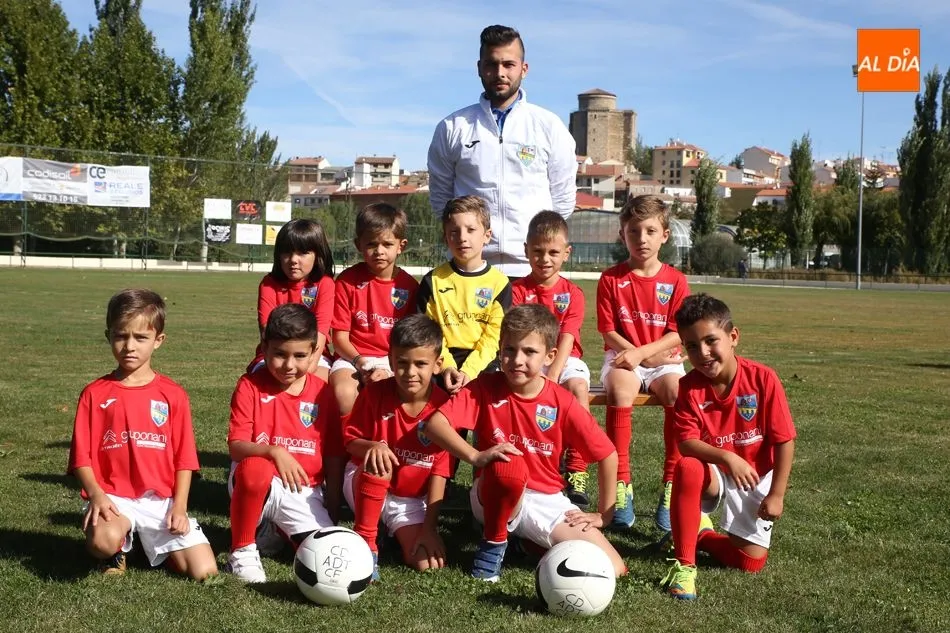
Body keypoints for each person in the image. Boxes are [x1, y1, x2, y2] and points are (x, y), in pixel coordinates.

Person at [423, 305, 626, 582]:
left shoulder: (561, 400)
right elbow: (435, 425)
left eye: (529, 352)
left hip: (547, 497)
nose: (517, 360)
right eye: (509, 350)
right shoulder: (484, 387)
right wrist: (476, 457)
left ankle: (526, 543)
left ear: (550, 356)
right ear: (500, 349)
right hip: (493, 492)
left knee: (611, 567)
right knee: (509, 465)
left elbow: (607, 454)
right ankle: (492, 547)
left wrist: (604, 514)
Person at [67, 289, 217, 580]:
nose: (129, 346)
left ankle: (152, 545)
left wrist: (180, 507)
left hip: (160, 501)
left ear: (158, 340)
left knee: (205, 572)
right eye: (121, 336)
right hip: (113, 497)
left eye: (140, 337)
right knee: (102, 540)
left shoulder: (173, 395)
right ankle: (115, 550)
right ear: (108, 335)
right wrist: (97, 496)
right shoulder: (94, 394)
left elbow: (184, 459)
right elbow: (80, 459)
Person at [660, 293, 796, 600]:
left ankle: (702, 535)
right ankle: (684, 567)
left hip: (756, 476)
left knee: (750, 562)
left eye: (711, 341)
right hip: (717, 472)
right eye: (692, 346)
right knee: (687, 466)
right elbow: (686, 442)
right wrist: (726, 457)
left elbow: (784, 440)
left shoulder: (763, 379)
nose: (703, 353)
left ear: (733, 336)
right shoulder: (688, 387)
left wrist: (777, 495)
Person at [427, 24, 577, 277]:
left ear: (524, 68)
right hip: (469, 269)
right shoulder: (452, 127)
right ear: (479, 68)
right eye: (491, 64)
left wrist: (539, 247)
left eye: (508, 64)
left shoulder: (549, 126)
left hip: (530, 270)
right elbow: (442, 200)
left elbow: (562, 200)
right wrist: (466, 244)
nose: (499, 73)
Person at [226, 303, 343, 583]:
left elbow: (335, 454)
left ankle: (276, 530)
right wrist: (274, 452)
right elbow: (236, 446)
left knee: (329, 555)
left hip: (305, 491)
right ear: (264, 348)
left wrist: (334, 507)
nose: (289, 365)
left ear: (315, 351)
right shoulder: (250, 386)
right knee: (257, 467)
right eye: (279, 354)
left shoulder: (323, 394)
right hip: (257, 483)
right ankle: (241, 549)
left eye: (300, 356)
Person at [597, 194, 690, 531]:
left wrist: (646, 353)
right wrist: (637, 354)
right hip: (623, 357)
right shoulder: (610, 279)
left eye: (650, 231)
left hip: (662, 360)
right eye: (634, 231)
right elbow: (607, 330)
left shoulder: (676, 281)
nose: (642, 239)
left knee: (679, 394)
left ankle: (670, 487)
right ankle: (622, 485)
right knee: (621, 392)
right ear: (623, 235)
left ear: (664, 235)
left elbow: (678, 331)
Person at [342, 314, 450, 581]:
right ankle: (366, 542)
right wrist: (372, 446)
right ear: (390, 361)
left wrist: (429, 528)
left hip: (409, 500)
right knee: (379, 459)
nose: (410, 372)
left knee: (428, 563)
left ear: (437, 365)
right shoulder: (375, 393)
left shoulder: (446, 407)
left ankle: (388, 530)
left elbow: (440, 472)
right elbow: (350, 441)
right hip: (363, 482)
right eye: (401, 363)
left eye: (420, 364)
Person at [511, 211, 591, 507]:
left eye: (553, 252)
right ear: (526, 251)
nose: (545, 259)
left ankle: (577, 470)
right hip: (529, 356)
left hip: (564, 359)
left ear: (566, 254)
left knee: (578, 389)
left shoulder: (573, 293)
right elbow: (517, 336)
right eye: (537, 252)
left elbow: (568, 338)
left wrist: (552, 377)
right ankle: (531, 465)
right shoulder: (517, 290)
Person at [417, 195, 511, 395]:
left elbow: (494, 338)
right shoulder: (432, 281)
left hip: (483, 365)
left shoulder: (499, 283)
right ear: (445, 237)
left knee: (487, 421)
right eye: (454, 231)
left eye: (471, 230)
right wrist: (447, 368)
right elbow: (427, 332)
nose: (462, 237)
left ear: (487, 235)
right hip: (440, 363)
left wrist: (470, 370)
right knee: (439, 423)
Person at [330, 203, 418, 416]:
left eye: (387, 244)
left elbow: (411, 341)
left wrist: (388, 368)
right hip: (352, 358)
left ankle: (386, 446)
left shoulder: (410, 287)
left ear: (401, 245)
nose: (379, 251)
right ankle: (348, 448)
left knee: (392, 398)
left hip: (393, 361)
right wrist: (362, 363)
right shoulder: (347, 282)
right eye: (371, 244)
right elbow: (340, 338)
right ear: (358, 244)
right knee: (344, 393)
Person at [253, 219, 334, 381]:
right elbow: (267, 332)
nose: (293, 260)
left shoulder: (325, 285)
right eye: (287, 252)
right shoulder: (269, 284)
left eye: (303, 253)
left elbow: (321, 333)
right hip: (274, 355)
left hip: (313, 357)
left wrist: (306, 370)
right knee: (259, 382)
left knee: (322, 386)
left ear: (318, 255)